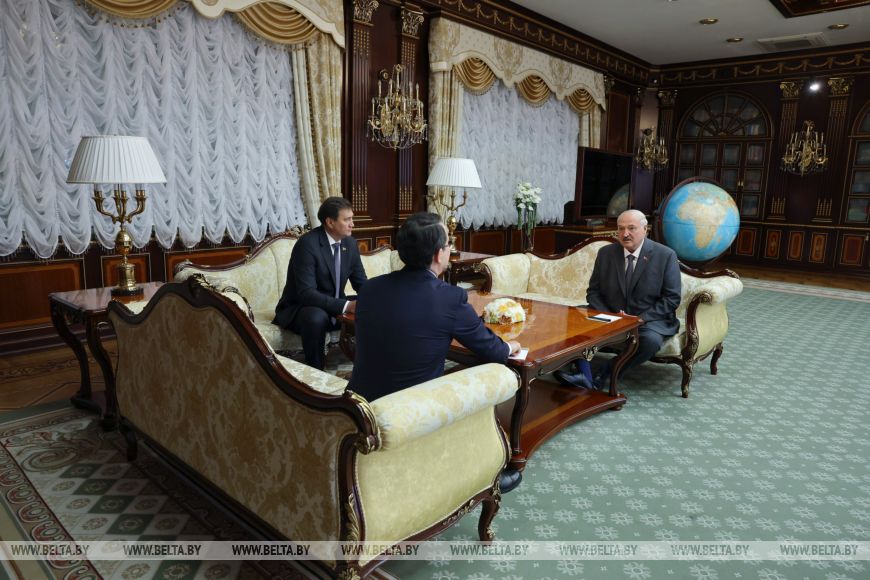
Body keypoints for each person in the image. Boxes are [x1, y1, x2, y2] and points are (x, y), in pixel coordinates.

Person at [348, 212, 524, 492]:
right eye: (448, 244)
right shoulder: (450, 297)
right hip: (412, 410)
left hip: (359, 402)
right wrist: (509, 346)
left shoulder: (370, 289)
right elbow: (492, 351)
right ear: (438, 254)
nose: (450, 249)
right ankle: (483, 478)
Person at [555, 209, 681, 389]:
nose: (625, 233)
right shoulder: (606, 253)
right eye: (621, 229)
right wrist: (611, 316)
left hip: (648, 320)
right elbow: (593, 292)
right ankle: (584, 375)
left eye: (631, 228)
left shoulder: (665, 255)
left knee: (650, 341)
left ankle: (606, 372)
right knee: (573, 318)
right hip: (611, 314)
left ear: (645, 229)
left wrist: (639, 319)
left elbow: (671, 298)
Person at [273, 197, 367, 370]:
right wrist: (346, 306)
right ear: (330, 222)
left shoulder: (350, 244)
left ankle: (368, 367)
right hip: (301, 307)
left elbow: (361, 283)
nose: (352, 224)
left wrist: (377, 297)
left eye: (352, 218)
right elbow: (307, 293)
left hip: (333, 303)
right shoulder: (307, 244)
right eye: (347, 219)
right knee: (316, 317)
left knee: (371, 304)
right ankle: (316, 370)